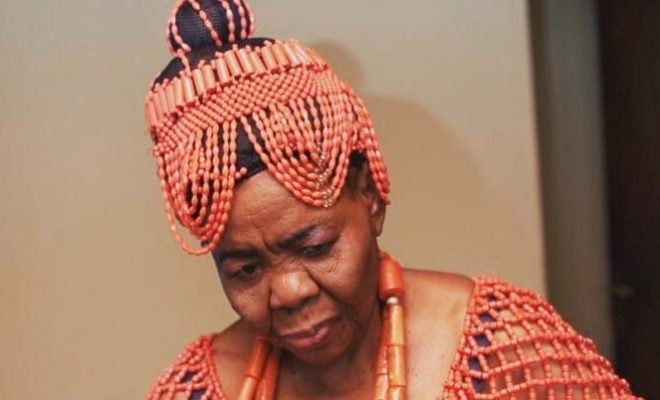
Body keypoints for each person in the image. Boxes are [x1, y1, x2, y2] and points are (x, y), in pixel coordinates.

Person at [142, 1, 639, 399]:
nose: (289, 292)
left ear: (371, 198)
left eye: (315, 247)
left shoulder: (498, 347)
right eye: (246, 270)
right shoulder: (199, 389)